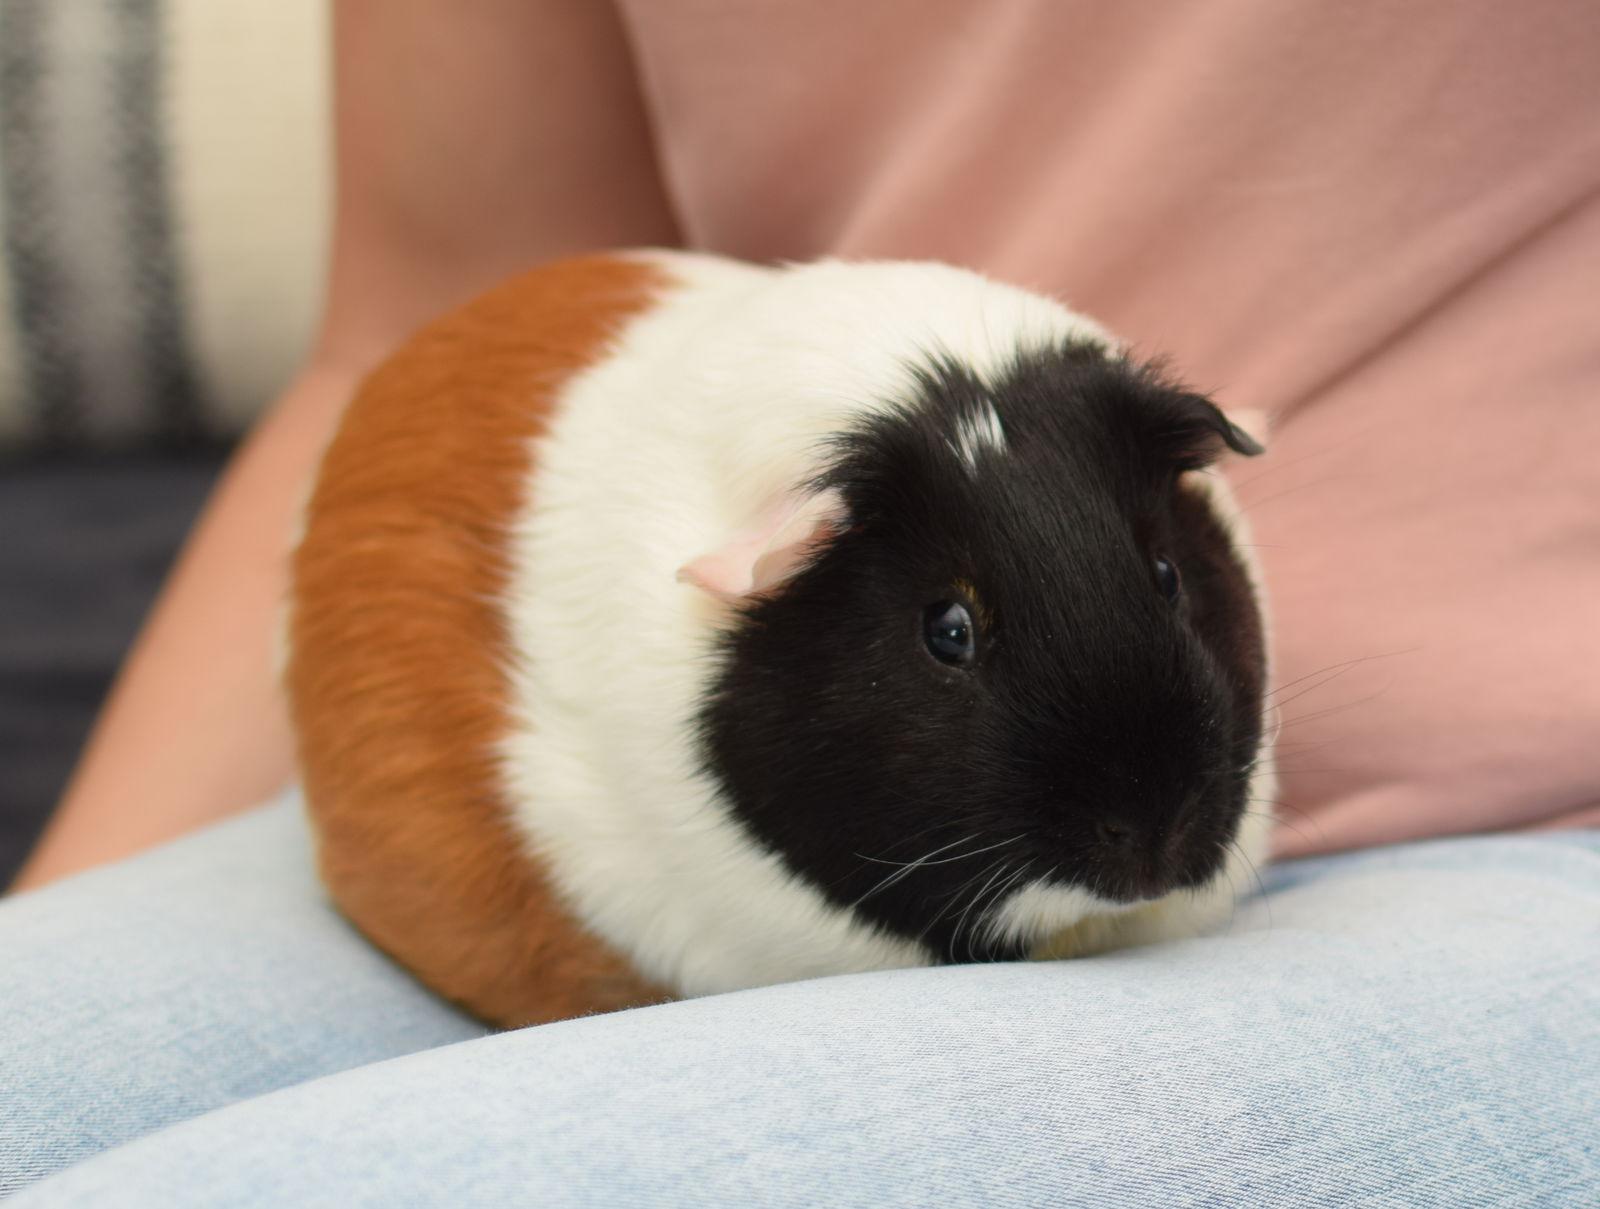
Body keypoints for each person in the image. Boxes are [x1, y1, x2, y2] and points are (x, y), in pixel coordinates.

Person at [4, 1, 1596, 1202]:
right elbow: (424, 296)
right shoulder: (723, 595)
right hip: (669, 752)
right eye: (955, 638)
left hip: (1535, 847)